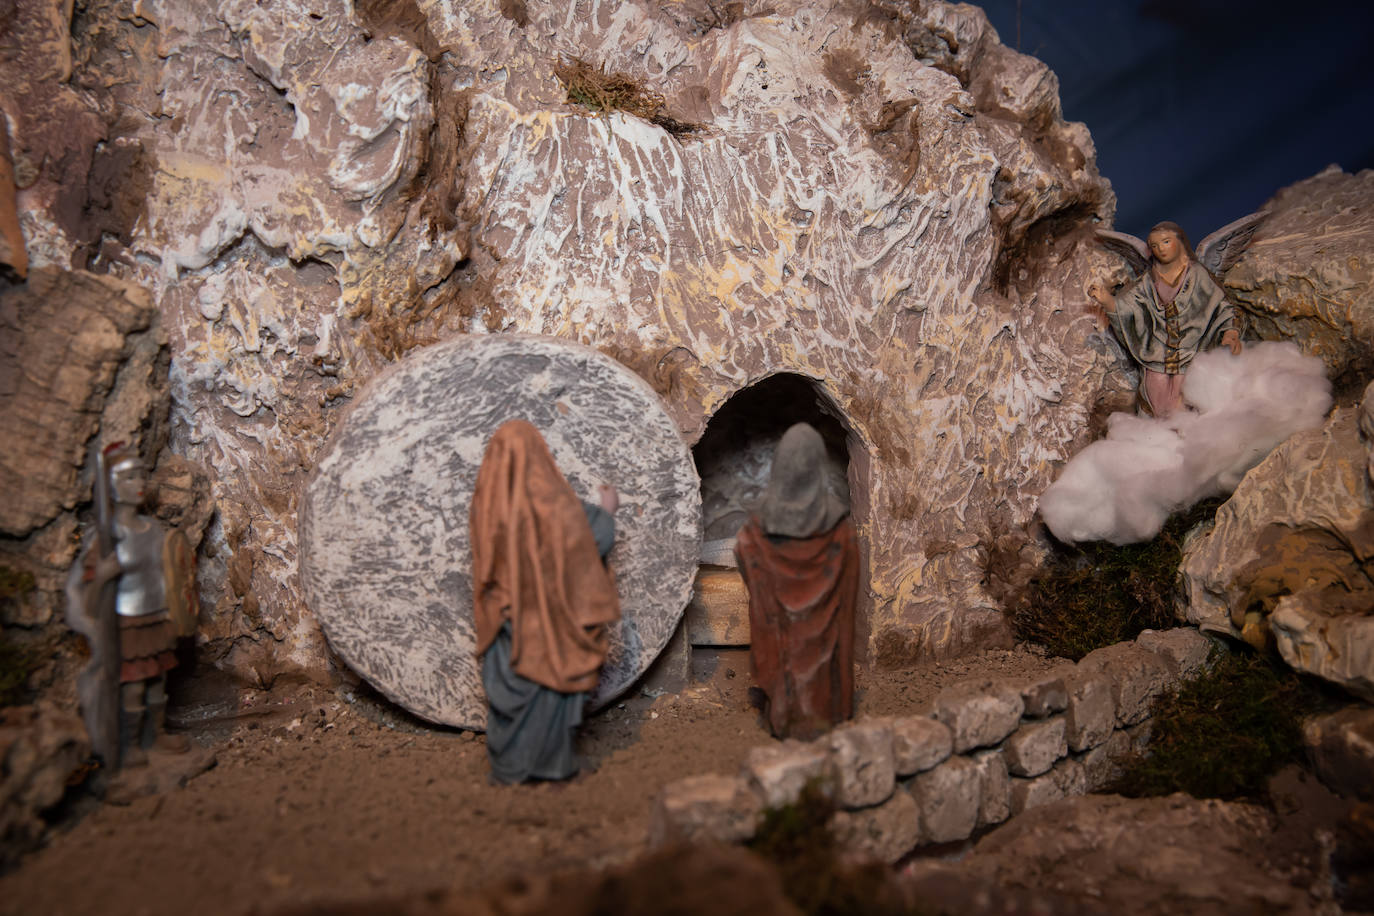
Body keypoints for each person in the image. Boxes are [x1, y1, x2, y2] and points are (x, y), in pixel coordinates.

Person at [470, 419, 620, 784]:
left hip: (505, 624)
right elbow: (591, 536)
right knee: (547, 689)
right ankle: (551, 763)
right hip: (548, 626)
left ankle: (509, 765)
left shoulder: (485, 508)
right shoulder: (553, 506)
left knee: (515, 692)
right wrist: (607, 509)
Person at [67, 444, 196, 768]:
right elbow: (90, 593)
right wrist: (103, 576)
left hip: (156, 615)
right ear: (111, 486)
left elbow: (171, 572)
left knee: (158, 682)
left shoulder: (153, 529)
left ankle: (158, 733)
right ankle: (134, 744)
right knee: (134, 686)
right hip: (127, 621)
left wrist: (176, 607)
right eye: (128, 477)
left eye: (141, 475)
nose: (138, 482)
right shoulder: (108, 536)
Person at [735, 422, 859, 740]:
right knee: (823, 665)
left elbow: (744, 550)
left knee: (783, 655)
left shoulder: (756, 532)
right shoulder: (841, 533)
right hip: (825, 646)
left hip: (781, 635)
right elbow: (846, 597)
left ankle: (785, 718)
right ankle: (824, 715)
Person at [1088, 221, 1242, 418]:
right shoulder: (1148, 281)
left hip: (1191, 354)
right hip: (1157, 358)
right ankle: (1158, 442)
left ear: (1179, 242)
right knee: (1155, 404)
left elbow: (1224, 307)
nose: (1160, 249)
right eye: (1154, 245)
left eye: (1166, 242)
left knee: (1190, 402)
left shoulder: (1198, 276)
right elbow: (1127, 308)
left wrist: (1231, 332)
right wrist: (1107, 300)